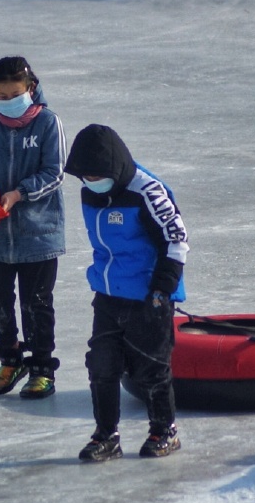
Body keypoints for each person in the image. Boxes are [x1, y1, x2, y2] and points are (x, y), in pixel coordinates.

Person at [62, 124, 188, 460]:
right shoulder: (90, 188)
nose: (90, 181)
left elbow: (176, 242)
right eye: (84, 176)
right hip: (108, 294)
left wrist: (162, 290)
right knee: (101, 365)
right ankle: (106, 436)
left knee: (151, 368)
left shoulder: (147, 191)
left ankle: (165, 431)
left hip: (149, 296)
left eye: (97, 175)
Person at [0, 56, 66, 399]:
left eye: (15, 93)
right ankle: (10, 358)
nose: (8, 101)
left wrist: (18, 193)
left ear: (30, 89)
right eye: (1, 95)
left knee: (36, 303)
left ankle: (40, 368)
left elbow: (55, 172)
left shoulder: (48, 123)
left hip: (39, 233)